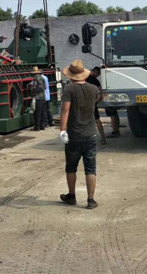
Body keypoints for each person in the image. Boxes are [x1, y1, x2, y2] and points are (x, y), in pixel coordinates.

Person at [58, 60, 99, 209]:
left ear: (71, 75)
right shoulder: (94, 89)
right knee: (91, 169)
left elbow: (65, 110)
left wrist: (62, 129)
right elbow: (96, 99)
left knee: (71, 167)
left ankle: (72, 196)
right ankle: (91, 200)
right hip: (91, 135)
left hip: (74, 135)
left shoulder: (69, 89)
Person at [86, 66, 106, 145]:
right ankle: (103, 139)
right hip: (92, 103)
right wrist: (95, 101)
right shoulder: (96, 81)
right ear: (96, 72)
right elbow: (101, 95)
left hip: (83, 103)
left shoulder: (83, 79)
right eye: (98, 74)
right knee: (97, 121)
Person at [31, 66, 47, 131]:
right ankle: (42, 126)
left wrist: (33, 94)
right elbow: (45, 87)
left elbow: (34, 88)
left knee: (37, 112)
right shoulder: (42, 78)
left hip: (37, 98)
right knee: (43, 112)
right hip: (43, 97)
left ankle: (37, 126)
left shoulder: (35, 79)